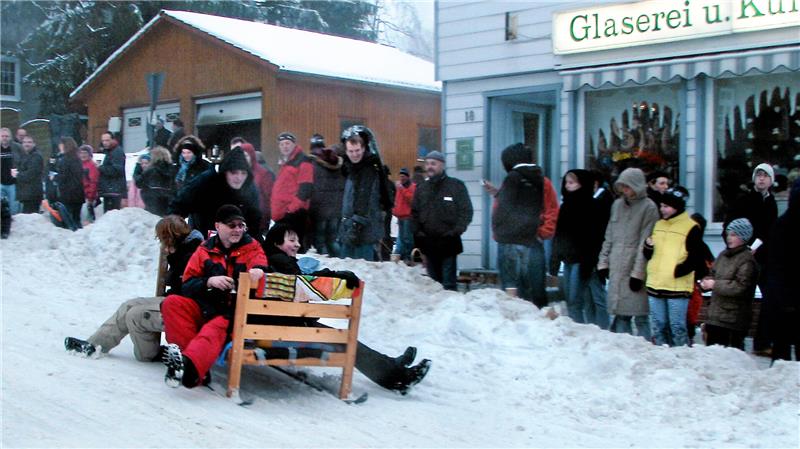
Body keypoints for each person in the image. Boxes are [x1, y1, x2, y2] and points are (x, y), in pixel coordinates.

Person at [263, 222, 431, 394]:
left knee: (344, 339)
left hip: (287, 325)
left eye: (297, 240)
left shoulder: (278, 260)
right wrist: (335, 276)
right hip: (286, 330)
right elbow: (304, 283)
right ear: (277, 243)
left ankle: (391, 367)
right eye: (291, 240)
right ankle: (398, 379)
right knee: (345, 341)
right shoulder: (280, 260)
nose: (297, 244)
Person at [65, 215, 204, 361]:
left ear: (170, 237)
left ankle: (150, 354)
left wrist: (173, 255)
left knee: (135, 314)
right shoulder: (184, 249)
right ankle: (94, 345)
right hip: (174, 300)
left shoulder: (191, 253)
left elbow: (188, 288)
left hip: (183, 309)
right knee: (128, 306)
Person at [161, 205, 268, 388]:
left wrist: (259, 271)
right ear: (218, 226)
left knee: (215, 326)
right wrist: (209, 282)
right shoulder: (204, 250)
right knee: (172, 303)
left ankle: (190, 368)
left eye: (240, 225)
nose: (237, 229)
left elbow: (260, 265)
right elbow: (187, 285)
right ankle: (187, 363)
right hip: (206, 306)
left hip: (233, 312)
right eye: (231, 225)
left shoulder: (252, 247)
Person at [484, 143, 557, 306]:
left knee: (514, 290)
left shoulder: (537, 182)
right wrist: (497, 193)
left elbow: (551, 210)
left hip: (517, 241)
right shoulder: (526, 180)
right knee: (532, 289)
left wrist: (543, 232)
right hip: (528, 240)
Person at [597, 168, 659, 340]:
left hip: (635, 264)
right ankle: (624, 347)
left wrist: (638, 273)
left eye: (628, 187)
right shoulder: (617, 205)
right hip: (617, 263)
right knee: (621, 313)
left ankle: (644, 347)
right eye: (622, 187)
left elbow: (645, 242)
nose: (625, 191)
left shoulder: (649, 208)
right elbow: (609, 235)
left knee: (640, 314)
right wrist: (603, 262)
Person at [725, 163, 778, 353]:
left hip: (763, 256)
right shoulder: (745, 200)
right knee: (740, 296)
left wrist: (758, 247)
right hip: (742, 254)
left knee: (769, 298)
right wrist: (738, 246)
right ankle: (734, 339)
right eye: (759, 175)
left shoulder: (771, 203)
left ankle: (762, 342)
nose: (762, 179)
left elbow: (769, 230)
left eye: (766, 176)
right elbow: (732, 225)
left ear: (771, 180)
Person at [643, 188, 705, 347]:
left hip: (677, 286)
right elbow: (650, 253)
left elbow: (696, 257)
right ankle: (661, 357)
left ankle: (681, 358)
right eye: (661, 206)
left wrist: (678, 271)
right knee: (658, 325)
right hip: (656, 283)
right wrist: (647, 247)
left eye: (666, 206)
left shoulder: (691, 227)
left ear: (677, 207)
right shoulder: (658, 224)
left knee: (677, 326)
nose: (662, 209)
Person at [169, 147, 262, 240]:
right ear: (225, 172)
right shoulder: (206, 181)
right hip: (203, 237)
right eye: (234, 172)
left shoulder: (250, 188)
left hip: (236, 240)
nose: (239, 177)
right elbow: (179, 204)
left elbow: (255, 221)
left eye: (243, 173)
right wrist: (176, 236)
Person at [412, 150, 473, 291]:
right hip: (428, 243)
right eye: (427, 164)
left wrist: (456, 231)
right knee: (433, 285)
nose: (429, 167)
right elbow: (414, 213)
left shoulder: (456, 186)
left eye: (433, 163)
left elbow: (466, 212)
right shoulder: (421, 188)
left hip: (448, 243)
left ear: (442, 165)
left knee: (448, 285)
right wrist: (418, 233)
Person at [552, 169, 605, 323]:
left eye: (572, 182)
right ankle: (580, 330)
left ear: (582, 184)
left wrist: (590, 261)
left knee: (580, 300)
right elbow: (559, 235)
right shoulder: (566, 206)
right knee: (572, 299)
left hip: (583, 260)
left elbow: (595, 237)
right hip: (568, 259)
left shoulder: (592, 206)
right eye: (566, 182)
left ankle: (583, 330)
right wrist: (555, 261)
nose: (568, 186)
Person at [699, 218, 758, 350]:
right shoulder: (723, 255)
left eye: (733, 235)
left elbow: (740, 287)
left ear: (743, 237)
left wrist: (714, 285)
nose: (729, 238)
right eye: (728, 234)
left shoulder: (747, 260)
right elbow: (712, 273)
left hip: (732, 320)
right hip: (715, 316)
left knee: (729, 360)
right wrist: (705, 282)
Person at [761, 178, 800, 362]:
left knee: (782, 344)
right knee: (782, 343)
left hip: (782, 293)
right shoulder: (782, 226)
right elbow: (776, 264)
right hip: (784, 293)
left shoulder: (781, 224)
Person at [337, 127, 389, 261]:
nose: (354, 154)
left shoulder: (369, 170)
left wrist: (355, 226)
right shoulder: (350, 168)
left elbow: (365, 199)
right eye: (351, 151)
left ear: (364, 148)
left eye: (357, 151)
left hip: (363, 231)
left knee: (361, 272)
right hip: (349, 228)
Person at [271, 132, 313, 247]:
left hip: (293, 214)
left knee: (292, 249)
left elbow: (306, 188)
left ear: (294, 145)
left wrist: (291, 209)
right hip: (283, 214)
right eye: (282, 144)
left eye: (288, 143)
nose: (285, 146)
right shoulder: (286, 161)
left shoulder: (303, 160)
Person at [309, 136, 345, 257]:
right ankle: (342, 261)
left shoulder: (311, 163)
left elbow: (310, 187)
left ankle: (326, 264)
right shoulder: (336, 162)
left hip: (319, 210)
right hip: (335, 210)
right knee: (332, 240)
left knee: (320, 242)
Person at [240, 142, 275, 234]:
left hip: (260, 220)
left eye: (246, 156)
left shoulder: (263, 173)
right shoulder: (239, 173)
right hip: (242, 220)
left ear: (252, 156)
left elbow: (269, 197)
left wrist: (268, 217)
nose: (244, 159)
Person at [53, 137, 86, 229]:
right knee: (76, 219)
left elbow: (63, 176)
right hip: (78, 194)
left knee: (68, 221)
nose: (59, 146)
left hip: (68, 195)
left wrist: (55, 177)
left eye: (60, 144)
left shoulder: (65, 160)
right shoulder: (77, 159)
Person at [134, 146, 176, 217]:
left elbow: (139, 183)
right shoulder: (173, 169)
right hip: (168, 203)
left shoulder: (151, 170)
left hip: (152, 203)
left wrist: (137, 169)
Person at [13, 135, 43, 214]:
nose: (26, 144)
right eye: (24, 142)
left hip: (32, 195)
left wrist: (17, 175)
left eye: (29, 142)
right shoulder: (25, 156)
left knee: (31, 219)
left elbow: (30, 174)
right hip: (27, 195)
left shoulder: (36, 156)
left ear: (34, 144)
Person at [97, 131, 126, 212]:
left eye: (107, 140)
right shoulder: (109, 151)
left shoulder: (117, 152)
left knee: (111, 217)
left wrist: (100, 168)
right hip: (109, 190)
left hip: (113, 190)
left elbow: (117, 170)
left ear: (113, 140)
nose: (105, 143)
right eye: (103, 141)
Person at [392, 167, 416, 262]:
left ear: (407, 177)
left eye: (403, 176)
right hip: (400, 216)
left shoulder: (412, 187)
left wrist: (402, 190)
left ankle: (408, 256)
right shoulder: (399, 187)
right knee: (401, 238)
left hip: (408, 217)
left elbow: (411, 201)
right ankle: (402, 256)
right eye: (400, 176)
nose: (401, 178)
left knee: (407, 238)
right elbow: (397, 200)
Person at [0, 127, 21, 215]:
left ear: (10, 137)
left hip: (13, 183)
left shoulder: (17, 147)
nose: (4, 138)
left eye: (7, 136)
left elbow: (24, 161)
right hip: (0, 183)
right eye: (2, 136)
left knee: (14, 209)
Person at [78, 145, 100, 223]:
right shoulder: (80, 165)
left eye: (85, 153)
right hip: (81, 196)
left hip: (88, 197)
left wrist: (90, 197)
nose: (83, 155)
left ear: (89, 154)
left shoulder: (91, 165)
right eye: (81, 153)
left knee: (86, 220)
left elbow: (94, 182)